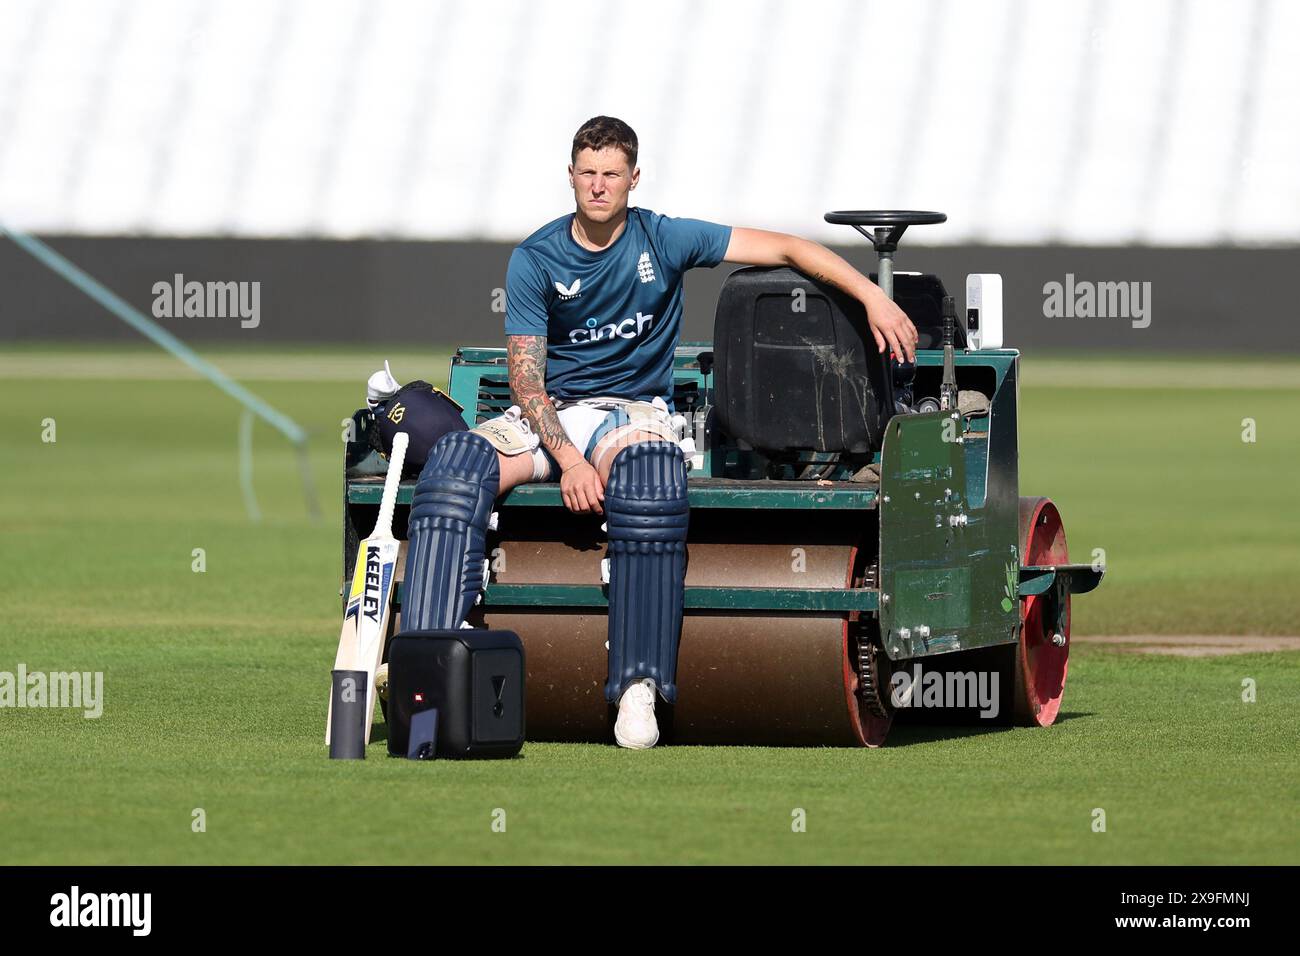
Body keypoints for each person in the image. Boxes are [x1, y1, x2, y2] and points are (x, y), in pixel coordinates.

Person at [401, 115, 917, 749]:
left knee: (650, 480)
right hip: (553, 414)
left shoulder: (666, 240)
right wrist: (569, 460)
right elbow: (527, 384)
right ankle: (422, 672)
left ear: (633, 179)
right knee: (453, 466)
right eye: (586, 174)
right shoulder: (534, 258)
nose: (597, 186)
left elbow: (788, 248)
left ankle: (637, 690)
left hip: (632, 411)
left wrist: (873, 296)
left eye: (610, 175)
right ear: (569, 177)